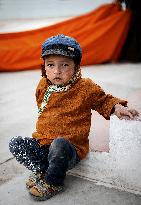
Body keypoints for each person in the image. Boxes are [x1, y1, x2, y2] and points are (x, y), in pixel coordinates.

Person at [9, 34, 139, 201]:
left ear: (77, 67)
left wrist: (116, 106)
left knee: (59, 144)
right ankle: (42, 170)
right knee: (16, 143)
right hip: (44, 143)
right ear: (44, 68)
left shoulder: (85, 87)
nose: (57, 71)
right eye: (51, 65)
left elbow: (103, 100)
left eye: (64, 65)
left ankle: (53, 183)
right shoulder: (43, 85)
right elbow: (42, 106)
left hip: (69, 148)